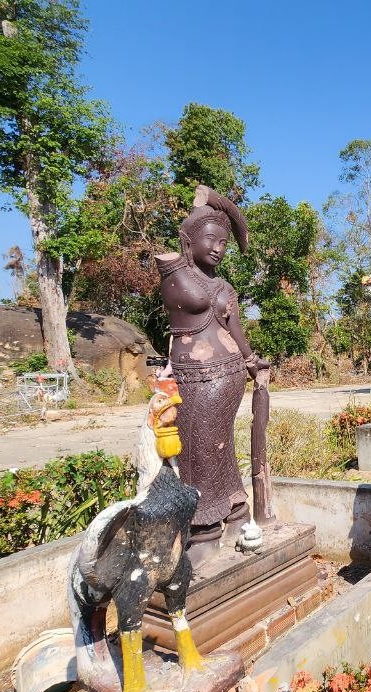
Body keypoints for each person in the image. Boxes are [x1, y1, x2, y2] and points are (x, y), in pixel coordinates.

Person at [155, 186, 272, 560]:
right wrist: (206, 204)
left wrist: (252, 361)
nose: (219, 248)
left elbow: (235, 329)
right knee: (201, 446)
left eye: (224, 242)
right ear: (188, 240)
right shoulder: (174, 271)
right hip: (194, 376)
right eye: (211, 239)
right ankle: (231, 514)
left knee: (210, 445)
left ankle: (210, 527)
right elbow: (178, 275)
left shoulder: (224, 286)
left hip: (228, 374)